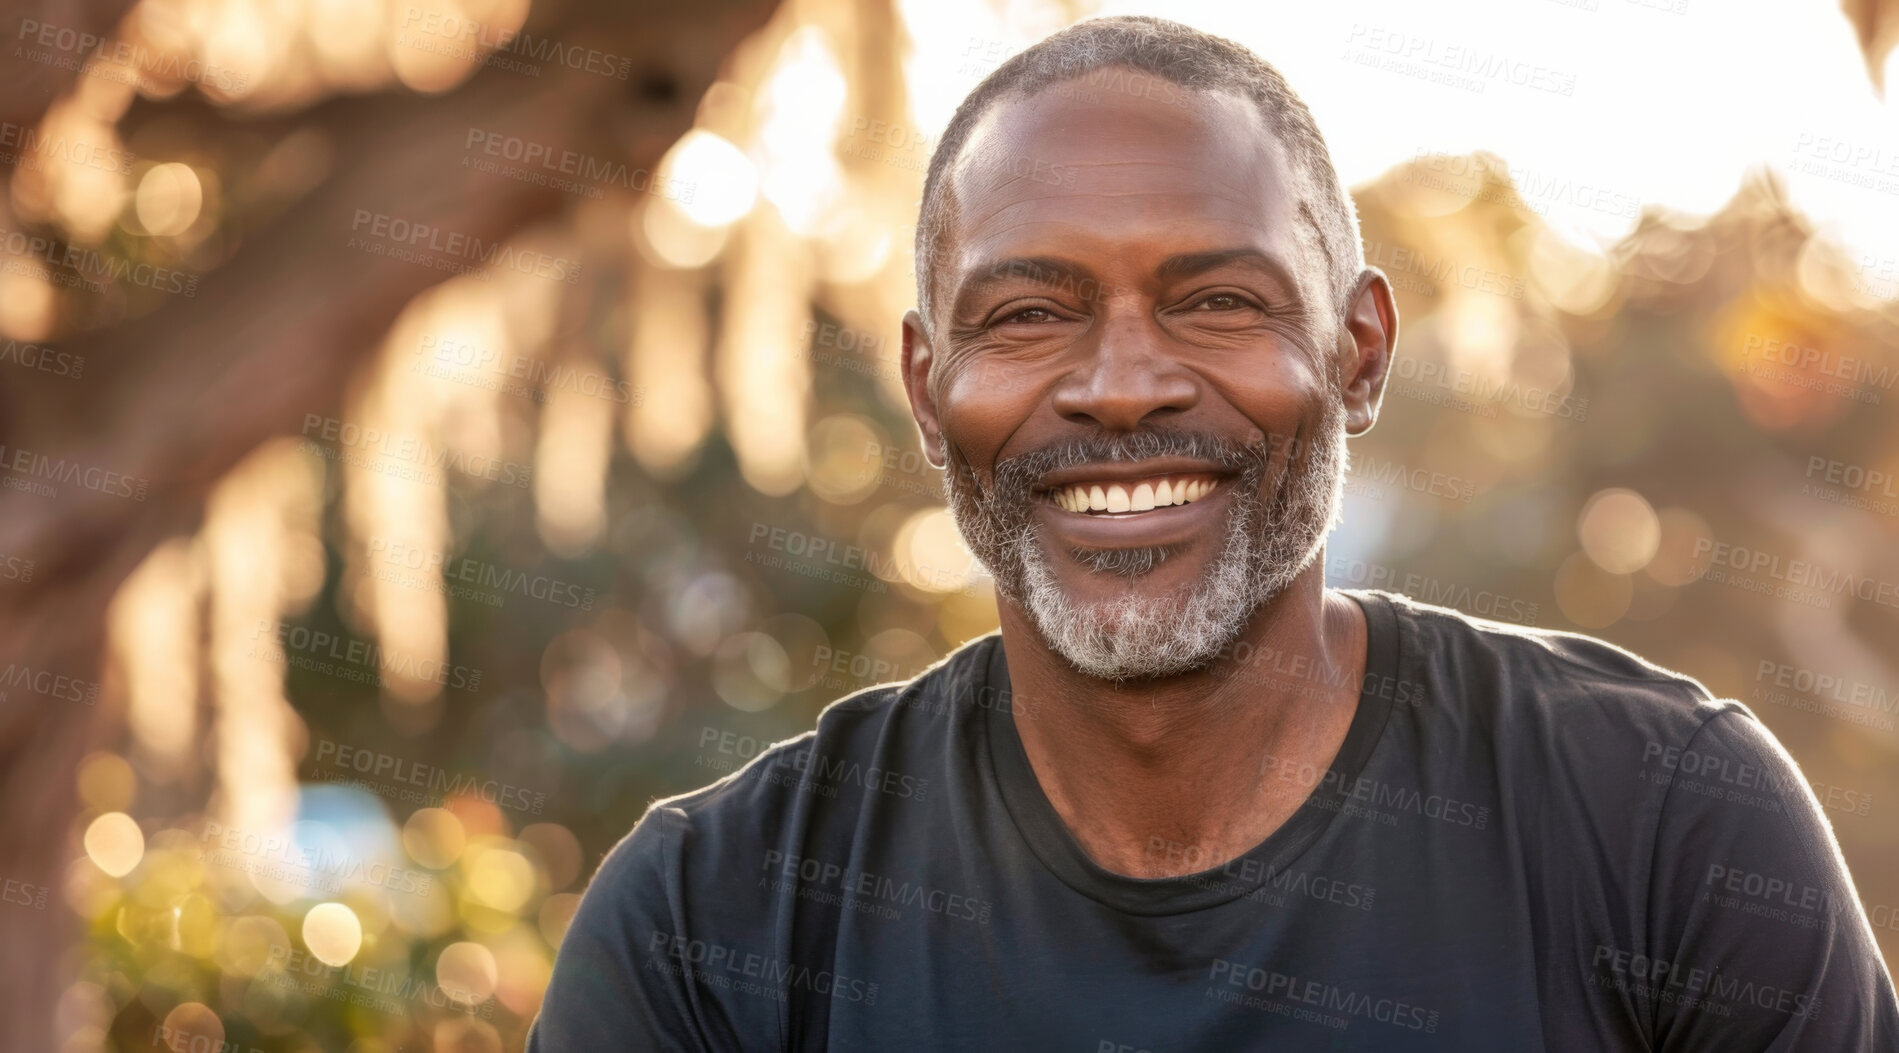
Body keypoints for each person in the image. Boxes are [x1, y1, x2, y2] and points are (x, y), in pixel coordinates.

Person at [528, 15, 1899, 1050]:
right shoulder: (711, 928)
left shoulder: (1665, 831)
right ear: (927, 390)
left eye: (1219, 301)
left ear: (1359, 352)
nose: (1123, 385)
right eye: (1026, 314)